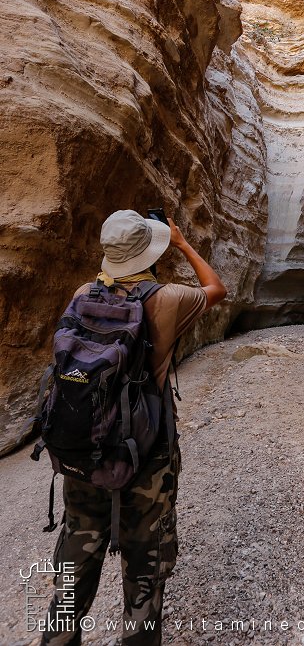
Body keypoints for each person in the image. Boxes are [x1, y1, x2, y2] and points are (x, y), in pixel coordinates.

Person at [41, 209, 227, 645]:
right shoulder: (168, 299)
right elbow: (217, 288)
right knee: (144, 572)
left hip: (83, 451)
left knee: (76, 561)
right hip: (146, 456)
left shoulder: (82, 292)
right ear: (149, 251)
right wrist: (180, 242)